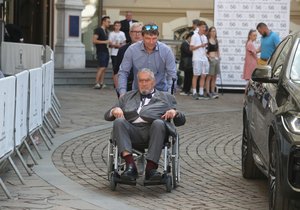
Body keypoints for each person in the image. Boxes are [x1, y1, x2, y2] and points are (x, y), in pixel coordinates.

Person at [104, 68, 185, 181]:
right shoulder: (127, 97)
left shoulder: (166, 97)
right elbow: (107, 116)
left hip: (155, 132)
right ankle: (130, 166)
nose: (144, 83)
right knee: (119, 122)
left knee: (158, 123)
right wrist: (114, 110)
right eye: (141, 81)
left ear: (153, 81)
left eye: (147, 80)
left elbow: (181, 121)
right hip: (131, 133)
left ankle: (151, 169)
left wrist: (175, 113)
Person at [118, 23, 177, 97]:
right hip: (138, 92)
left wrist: (170, 94)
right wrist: (122, 92)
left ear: (157, 37)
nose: (151, 42)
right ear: (142, 37)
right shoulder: (132, 50)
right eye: (148, 38)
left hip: (161, 92)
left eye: (154, 38)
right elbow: (123, 72)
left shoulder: (166, 51)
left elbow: (172, 74)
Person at [113, 22, 143, 97]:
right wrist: (118, 90)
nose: (137, 34)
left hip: (144, 86)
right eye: (134, 32)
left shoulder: (148, 49)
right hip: (127, 86)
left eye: (139, 32)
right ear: (130, 33)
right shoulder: (123, 50)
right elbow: (116, 72)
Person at [190, 20, 209, 100]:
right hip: (197, 58)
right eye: (202, 27)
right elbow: (191, 48)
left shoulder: (204, 37)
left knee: (204, 75)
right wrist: (201, 45)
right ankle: (194, 92)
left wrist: (207, 55)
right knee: (196, 75)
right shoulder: (194, 36)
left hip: (204, 58)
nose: (204, 28)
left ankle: (201, 92)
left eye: (204, 27)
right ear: (198, 27)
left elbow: (205, 49)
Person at [92, 15, 112, 89]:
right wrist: (105, 41)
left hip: (106, 50)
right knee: (102, 67)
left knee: (105, 68)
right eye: (108, 22)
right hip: (101, 51)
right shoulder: (98, 30)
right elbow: (94, 40)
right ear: (103, 22)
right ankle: (96, 82)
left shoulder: (106, 31)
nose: (109, 23)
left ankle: (101, 82)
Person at [206, 26, 220, 99]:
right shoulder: (207, 40)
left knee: (214, 76)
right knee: (209, 76)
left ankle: (212, 91)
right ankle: (208, 91)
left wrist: (218, 57)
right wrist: (209, 58)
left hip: (216, 59)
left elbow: (218, 50)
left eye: (214, 31)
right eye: (212, 31)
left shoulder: (216, 40)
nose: (213, 32)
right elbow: (205, 51)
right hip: (211, 60)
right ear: (210, 32)